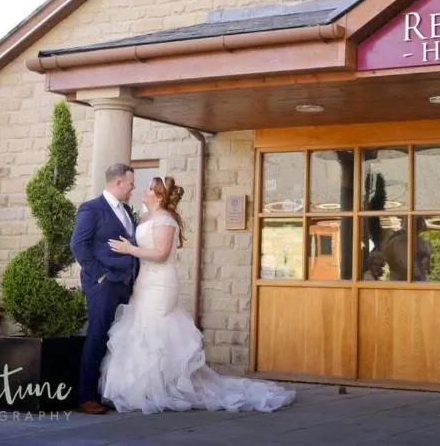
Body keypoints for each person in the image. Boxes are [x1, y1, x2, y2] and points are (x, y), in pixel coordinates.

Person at [99, 176, 296, 414]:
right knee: (140, 329)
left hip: (161, 284)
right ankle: (144, 388)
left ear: (159, 196)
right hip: (144, 283)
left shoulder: (164, 220)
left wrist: (130, 249)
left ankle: (165, 387)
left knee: (156, 330)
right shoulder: (145, 218)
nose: (145, 191)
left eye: (150, 189)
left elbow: (161, 253)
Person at [69, 162, 138, 415]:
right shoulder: (92, 208)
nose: (133, 189)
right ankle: (86, 396)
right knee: (97, 336)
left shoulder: (127, 211)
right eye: (131, 184)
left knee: (117, 339)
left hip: (126, 284)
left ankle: (109, 391)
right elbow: (78, 245)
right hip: (104, 285)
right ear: (118, 182)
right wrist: (100, 276)